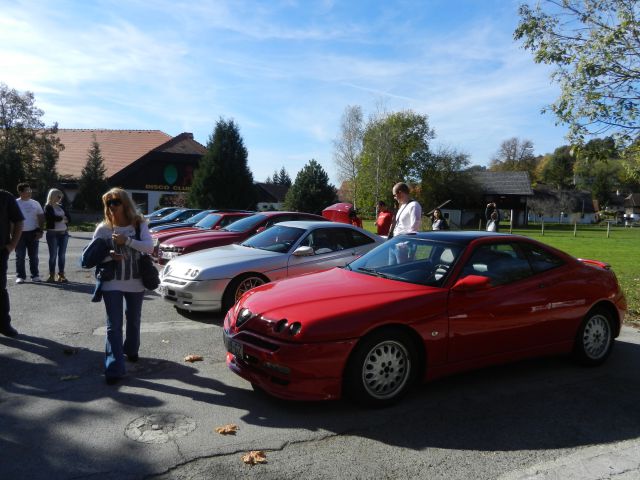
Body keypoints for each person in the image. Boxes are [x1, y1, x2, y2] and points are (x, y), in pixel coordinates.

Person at [92, 188, 153, 385]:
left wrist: (126, 240)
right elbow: (91, 256)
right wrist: (110, 254)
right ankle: (114, 368)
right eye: (108, 203)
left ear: (125, 203)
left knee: (133, 320)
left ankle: (132, 350)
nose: (111, 207)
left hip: (136, 281)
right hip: (112, 283)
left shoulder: (138, 224)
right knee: (114, 326)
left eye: (115, 202)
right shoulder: (103, 228)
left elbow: (149, 247)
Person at [0, 189, 23, 337]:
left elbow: (19, 221)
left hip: (0, 251)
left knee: (0, 290)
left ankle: (3, 325)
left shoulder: (5, 197)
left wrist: (12, 245)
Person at [14, 183, 44, 283]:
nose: (30, 192)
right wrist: (11, 233)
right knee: (20, 256)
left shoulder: (35, 203)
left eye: (30, 190)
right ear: (20, 192)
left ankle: (35, 275)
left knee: (34, 256)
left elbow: (41, 217)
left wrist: (40, 230)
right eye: (27, 190)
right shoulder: (15, 203)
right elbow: (10, 219)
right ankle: (20, 276)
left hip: (33, 232)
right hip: (19, 233)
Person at [44, 188, 71, 282]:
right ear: (53, 196)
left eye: (61, 197)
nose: (60, 198)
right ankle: (51, 275)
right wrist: (62, 218)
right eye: (59, 196)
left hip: (64, 233)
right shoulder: (48, 207)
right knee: (53, 255)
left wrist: (61, 219)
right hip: (52, 233)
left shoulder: (61, 206)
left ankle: (61, 275)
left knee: (62, 255)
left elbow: (69, 218)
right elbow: (50, 218)